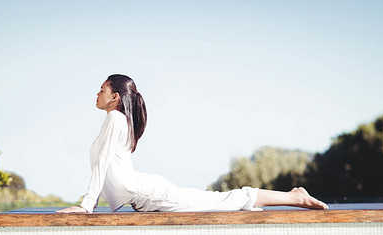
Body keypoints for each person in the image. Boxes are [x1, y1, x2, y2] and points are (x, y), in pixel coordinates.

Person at [57, 74, 328, 213]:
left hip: (151, 194)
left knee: (223, 201)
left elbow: (103, 163)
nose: (96, 93)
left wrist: (86, 205)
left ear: (115, 97)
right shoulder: (115, 121)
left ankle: (295, 197)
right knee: (219, 200)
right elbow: (105, 165)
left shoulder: (115, 119)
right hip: (145, 197)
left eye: (101, 89)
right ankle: (293, 195)